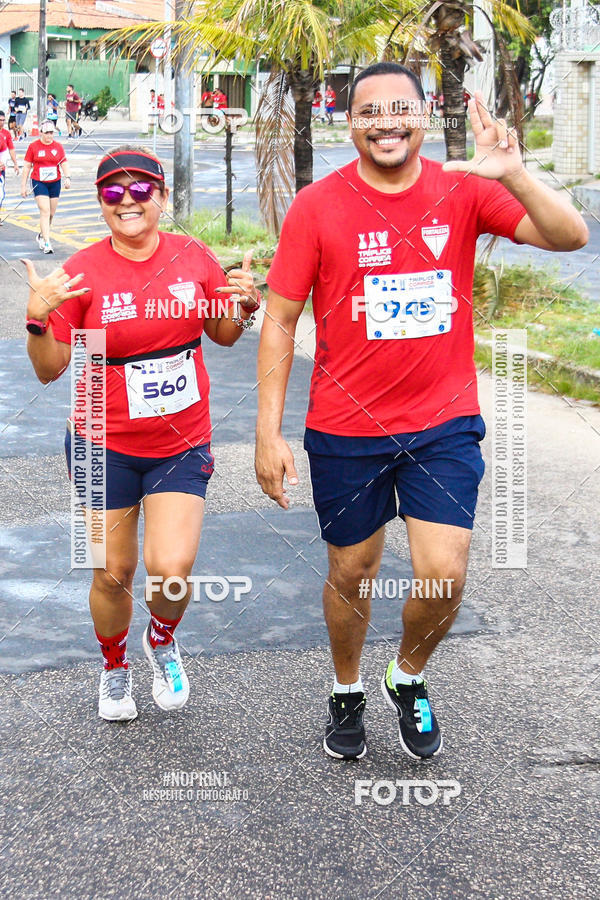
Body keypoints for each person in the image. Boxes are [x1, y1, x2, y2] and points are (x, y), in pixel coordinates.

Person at [255, 61, 588, 762]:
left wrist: (515, 173)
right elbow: (281, 320)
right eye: (370, 112)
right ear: (351, 124)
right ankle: (346, 687)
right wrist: (267, 431)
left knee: (447, 573)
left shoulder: (463, 189)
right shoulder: (317, 205)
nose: (387, 123)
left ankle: (406, 675)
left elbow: (570, 237)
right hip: (346, 428)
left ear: (424, 115)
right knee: (352, 573)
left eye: (399, 109)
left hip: (443, 421)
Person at [24, 145, 261, 723]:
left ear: (162, 195)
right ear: (100, 203)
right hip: (101, 438)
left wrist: (242, 305)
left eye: (139, 190)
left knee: (172, 571)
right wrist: (37, 314)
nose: (127, 202)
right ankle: (113, 665)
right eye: (112, 193)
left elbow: (223, 333)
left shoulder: (191, 256)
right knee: (112, 571)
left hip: (180, 441)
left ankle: (161, 637)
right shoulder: (82, 272)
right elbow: (50, 367)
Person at [21, 119, 70, 254]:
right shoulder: (33, 147)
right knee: (45, 210)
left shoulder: (58, 147)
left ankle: (42, 234)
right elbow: (26, 166)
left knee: (51, 213)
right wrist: (23, 186)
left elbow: (64, 162)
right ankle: (47, 242)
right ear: (41, 132)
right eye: (47, 133)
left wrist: (67, 177)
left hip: (55, 182)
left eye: (51, 133)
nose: (49, 136)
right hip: (39, 181)